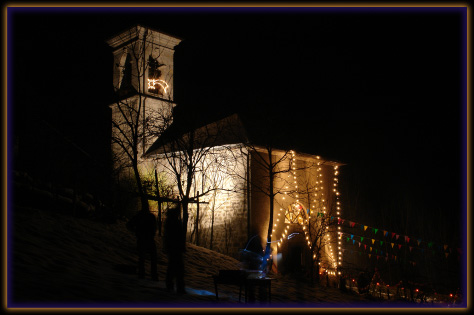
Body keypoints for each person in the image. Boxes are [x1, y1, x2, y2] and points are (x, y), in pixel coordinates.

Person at [127, 208, 159, 281]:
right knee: (152, 257)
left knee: (142, 257)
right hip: (148, 239)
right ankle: (153, 275)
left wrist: (136, 232)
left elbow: (129, 225)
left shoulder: (139, 216)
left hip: (142, 239)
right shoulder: (150, 216)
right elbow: (155, 227)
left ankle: (142, 274)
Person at [163, 206, 186, 294]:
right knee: (177, 268)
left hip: (173, 248)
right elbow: (177, 236)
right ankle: (178, 287)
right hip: (175, 248)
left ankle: (172, 285)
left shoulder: (170, 222)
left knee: (173, 267)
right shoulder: (174, 222)